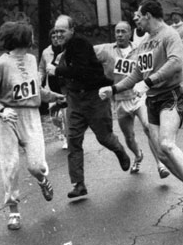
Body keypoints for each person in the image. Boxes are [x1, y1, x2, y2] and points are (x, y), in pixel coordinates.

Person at [99, 0, 183, 186]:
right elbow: (137, 73)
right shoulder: (145, 42)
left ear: (148, 16)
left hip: (170, 95)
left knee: (167, 144)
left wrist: (148, 82)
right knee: (162, 155)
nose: (136, 21)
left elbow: (176, 62)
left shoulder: (169, 35)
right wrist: (113, 89)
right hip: (152, 99)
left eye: (139, 17)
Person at [46, 15, 131, 198]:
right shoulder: (60, 47)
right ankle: (79, 184)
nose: (58, 34)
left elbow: (81, 71)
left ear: (72, 30)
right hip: (75, 99)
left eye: (62, 31)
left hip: (94, 98)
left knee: (104, 138)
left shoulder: (80, 44)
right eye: (56, 31)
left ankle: (120, 151)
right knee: (73, 141)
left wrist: (57, 70)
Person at [0, 21, 65, 230]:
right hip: (8, 118)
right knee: (10, 165)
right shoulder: (1, 63)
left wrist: (53, 96)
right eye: (30, 34)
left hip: (31, 116)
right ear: (23, 37)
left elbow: (35, 90)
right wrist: (1, 110)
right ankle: (13, 210)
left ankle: (42, 179)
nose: (33, 38)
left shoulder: (32, 59)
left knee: (37, 165)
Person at [93, 21, 171, 178]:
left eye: (123, 31)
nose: (120, 34)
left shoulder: (140, 49)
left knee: (148, 127)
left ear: (130, 33)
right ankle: (138, 155)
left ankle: (160, 164)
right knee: (129, 137)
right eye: (117, 32)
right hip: (120, 100)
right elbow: (86, 52)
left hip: (138, 96)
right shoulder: (106, 49)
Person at [38, 28, 69, 150]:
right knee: (54, 117)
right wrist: (39, 78)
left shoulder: (67, 50)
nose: (56, 39)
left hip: (65, 88)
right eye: (53, 37)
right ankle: (61, 130)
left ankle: (67, 137)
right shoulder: (46, 52)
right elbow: (41, 68)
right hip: (51, 88)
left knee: (66, 115)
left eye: (58, 36)